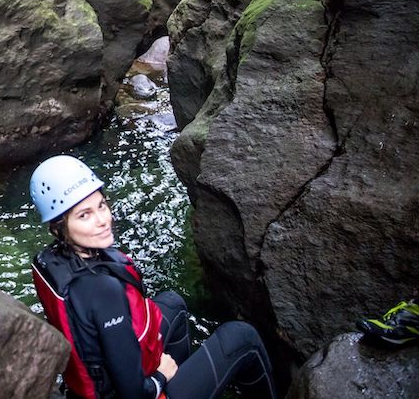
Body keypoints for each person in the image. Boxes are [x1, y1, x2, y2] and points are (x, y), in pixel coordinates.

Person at [29, 155, 278, 399]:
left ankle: (187, 381)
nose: (103, 220)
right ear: (59, 226)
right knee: (244, 337)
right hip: (133, 391)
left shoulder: (48, 261)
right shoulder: (104, 292)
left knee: (173, 303)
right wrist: (161, 376)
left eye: (101, 205)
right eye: (84, 215)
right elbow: (134, 393)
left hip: (95, 380)